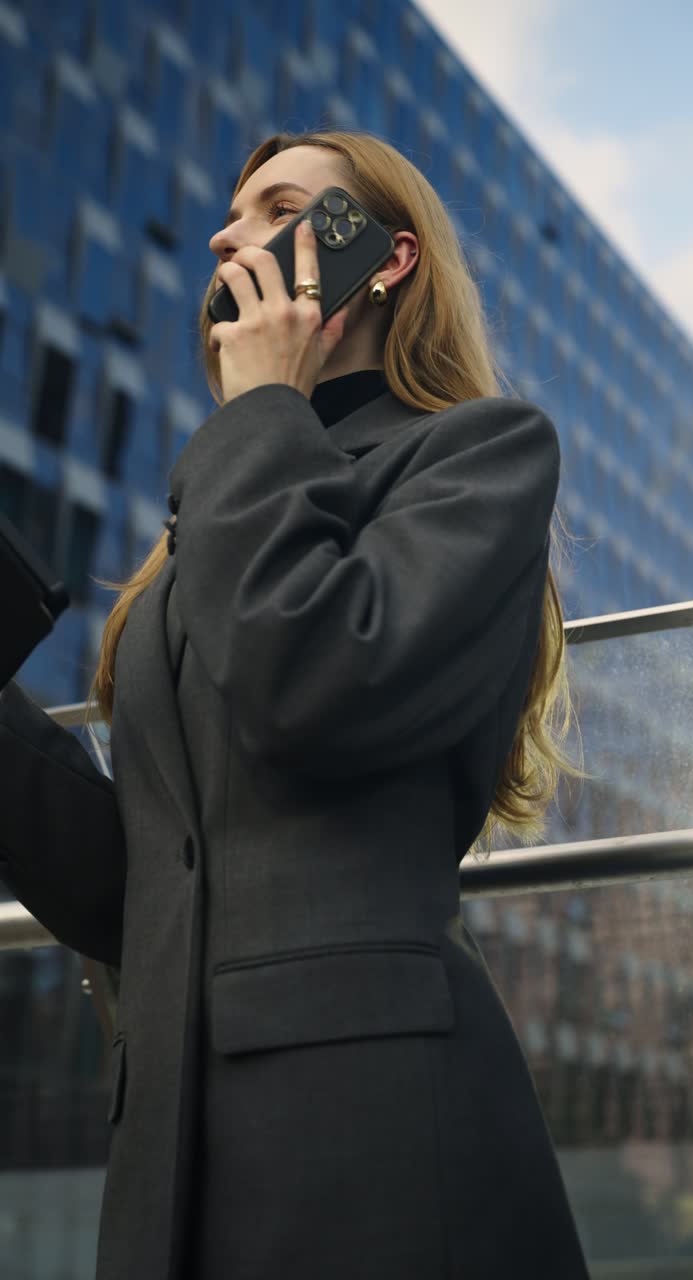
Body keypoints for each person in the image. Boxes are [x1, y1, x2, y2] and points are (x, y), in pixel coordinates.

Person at [0, 129, 590, 1279]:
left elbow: (315, 686)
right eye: (228, 212)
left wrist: (261, 410)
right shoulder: (211, 524)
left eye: (275, 204)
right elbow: (130, 891)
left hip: (374, 1132)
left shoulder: (476, 455)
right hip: (175, 1158)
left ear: (384, 255)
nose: (227, 232)